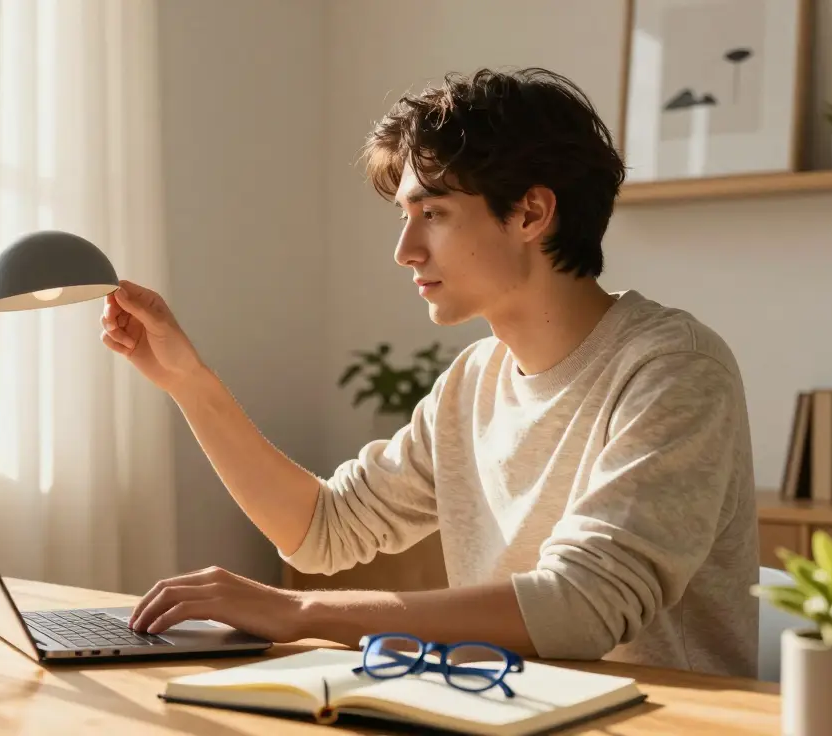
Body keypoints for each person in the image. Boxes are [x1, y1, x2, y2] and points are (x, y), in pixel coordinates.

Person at [99, 67, 758, 678]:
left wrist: (300, 612)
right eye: (405, 216)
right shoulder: (474, 380)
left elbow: (583, 605)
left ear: (531, 213)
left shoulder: (671, 368)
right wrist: (189, 382)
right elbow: (323, 529)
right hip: (501, 708)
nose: (404, 250)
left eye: (433, 214)